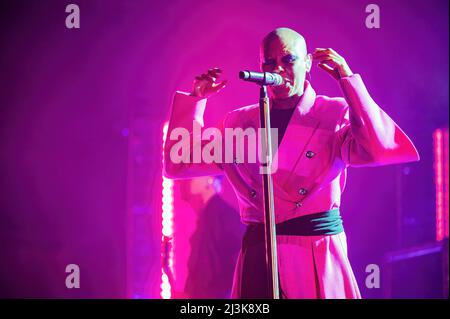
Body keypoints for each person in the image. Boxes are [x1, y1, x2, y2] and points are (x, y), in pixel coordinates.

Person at [164, 27, 420, 298]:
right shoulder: (240, 122)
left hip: (313, 254)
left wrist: (348, 80)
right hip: (258, 255)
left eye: (289, 60)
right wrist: (195, 100)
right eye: (269, 62)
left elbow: (379, 150)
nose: (279, 69)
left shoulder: (333, 113)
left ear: (308, 63)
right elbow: (179, 163)